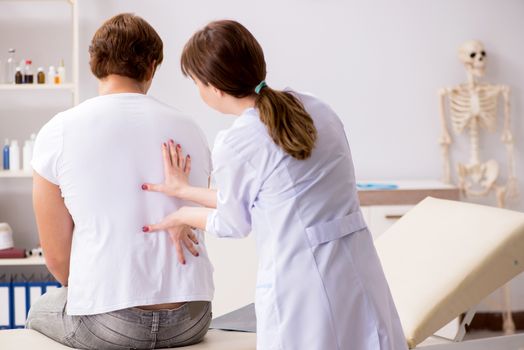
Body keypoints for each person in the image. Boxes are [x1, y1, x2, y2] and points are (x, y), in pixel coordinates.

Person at [143, 20, 408, 350]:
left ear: (213, 87)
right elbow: (274, 197)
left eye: (196, 83)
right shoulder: (314, 106)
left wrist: (181, 215)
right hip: (356, 265)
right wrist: (183, 190)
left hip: (304, 280)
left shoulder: (239, 141)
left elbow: (233, 223)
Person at [27, 13, 214, 349]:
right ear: (153, 66)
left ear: (93, 63)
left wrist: (100, 292)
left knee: (38, 309)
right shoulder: (191, 128)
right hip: (192, 317)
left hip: (110, 324)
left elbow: (56, 259)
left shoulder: (60, 130)